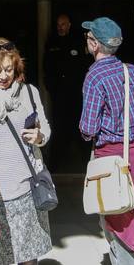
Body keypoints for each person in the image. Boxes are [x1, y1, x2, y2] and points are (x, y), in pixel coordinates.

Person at [79, 17, 134, 265]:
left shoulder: (94, 77)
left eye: (88, 37)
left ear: (94, 44)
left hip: (110, 156)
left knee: (117, 216)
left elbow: (88, 127)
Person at [0, 37, 53, 265]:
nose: (3, 76)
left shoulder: (29, 93)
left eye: (8, 69)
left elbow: (45, 127)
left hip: (27, 189)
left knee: (29, 257)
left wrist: (40, 136)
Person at [43, 13, 90, 170]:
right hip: (60, 95)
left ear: (69, 24)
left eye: (63, 24)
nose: (60, 27)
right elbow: (47, 67)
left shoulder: (77, 41)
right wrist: (52, 88)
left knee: (80, 127)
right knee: (59, 128)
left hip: (77, 94)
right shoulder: (52, 43)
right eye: (58, 25)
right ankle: (56, 165)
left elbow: (84, 65)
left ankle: (86, 162)